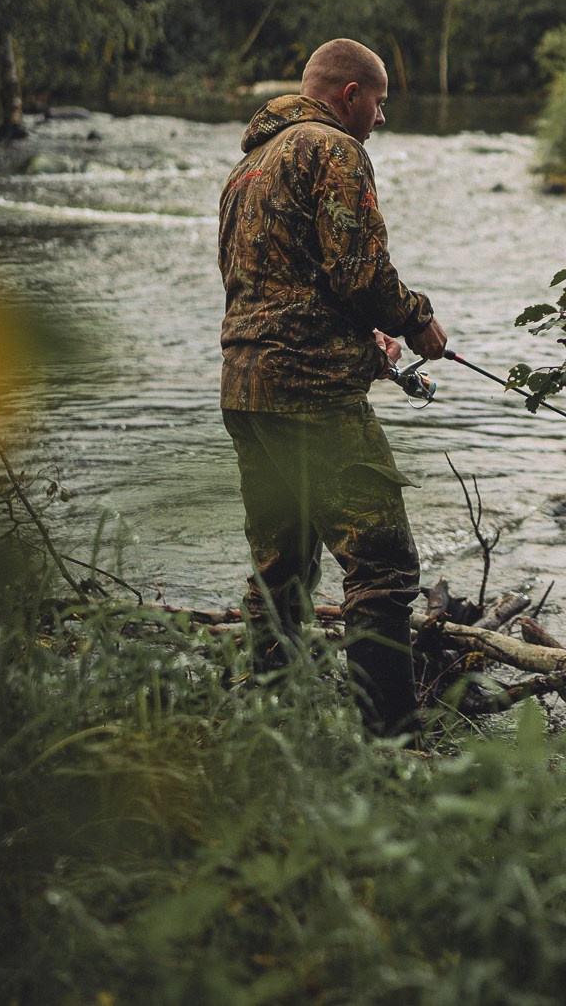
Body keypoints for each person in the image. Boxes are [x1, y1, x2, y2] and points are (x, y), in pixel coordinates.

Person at [217, 38, 447, 735]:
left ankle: (268, 726)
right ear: (350, 95)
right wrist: (416, 320)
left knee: (280, 568)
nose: (381, 118)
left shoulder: (248, 166)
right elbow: (361, 274)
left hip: (245, 389)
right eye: (378, 102)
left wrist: (362, 341)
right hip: (312, 392)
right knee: (383, 564)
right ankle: (392, 741)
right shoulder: (335, 149)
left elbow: (280, 288)